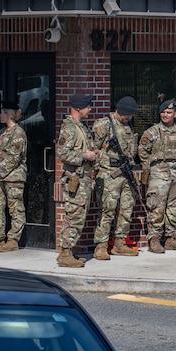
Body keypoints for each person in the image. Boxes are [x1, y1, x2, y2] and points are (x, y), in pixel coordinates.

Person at [91, 96, 141, 260]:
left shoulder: (128, 125)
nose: (130, 117)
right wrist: (96, 173)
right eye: (129, 114)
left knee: (127, 208)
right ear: (122, 110)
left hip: (125, 173)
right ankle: (101, 245)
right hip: (109, 173)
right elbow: (94, 150)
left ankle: (120, 242)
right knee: (107, 210)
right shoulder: (103, 124)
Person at [138, 99, 176, 254]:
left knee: (174, 208)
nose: (165, 115)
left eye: (168, 112)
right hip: (159, 173)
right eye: (163, 112)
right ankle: (154, 239)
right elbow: (143, 151)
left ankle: (171, 238)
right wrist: (149, 168)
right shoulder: (152, 132)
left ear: (175, 114)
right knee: (157, 207)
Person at [55, 93, 98, 268]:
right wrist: (84, 155)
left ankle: (68, 251)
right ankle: (65, 253)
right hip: (76, 180)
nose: (90, 109)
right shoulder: (70, 128)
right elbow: (62, 153)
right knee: (74, 217)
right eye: (88, 106)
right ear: (78, 108)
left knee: (77, 216)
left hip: (83, 179)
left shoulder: (81, 127)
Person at [0, 98, 27, 252]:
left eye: (2, 112)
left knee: (15, 209)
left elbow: (14, 158)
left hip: (14, 177)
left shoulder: (18, 133)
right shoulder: (2, 132)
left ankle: (14, 240)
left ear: (8, 114)